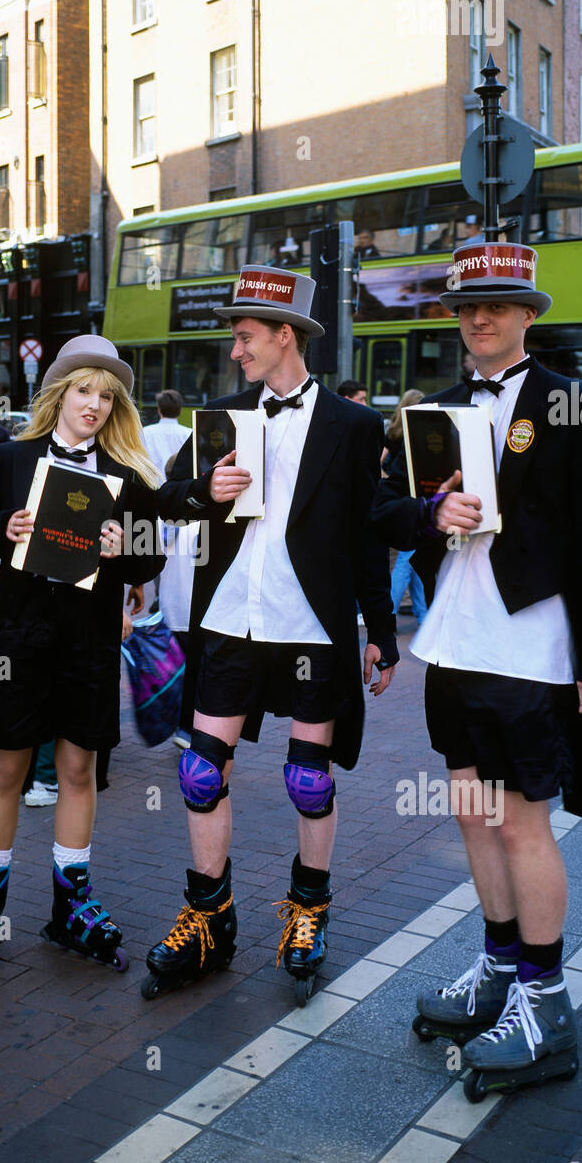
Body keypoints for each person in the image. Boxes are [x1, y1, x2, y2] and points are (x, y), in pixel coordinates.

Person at [373, 239, 582, 1099]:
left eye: (496, 304)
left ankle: (546, 1003)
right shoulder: (433, 413)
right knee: (472, 812)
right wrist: (425, 509)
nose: (478, 317)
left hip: (533, 645)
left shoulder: (577, 406)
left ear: (527, 315)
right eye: (465, 306)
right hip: (453, 639)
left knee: (523, 822)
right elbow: (383, 515)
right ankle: (498, 968)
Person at [145, 266, 399, 1005]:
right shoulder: (222, 417)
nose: (235, 352)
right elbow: (168, 499)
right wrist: (204, 491)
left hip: (310, 624)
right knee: (200, 771)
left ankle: (308, 913)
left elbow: (367, 536)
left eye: (246, 337)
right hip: (230, 617)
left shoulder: (354, 427)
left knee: (307, 777)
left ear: (285, 335)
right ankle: (209, 919)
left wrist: (379, 628)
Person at [0, 334, 164, 983]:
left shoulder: (128, 475)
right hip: (18, 641)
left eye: (106, 395)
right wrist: (7, 528)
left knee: (77, 771)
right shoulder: (11, 459)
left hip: (90, 642)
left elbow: (149, 560)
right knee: (8, 770)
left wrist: (119, 543)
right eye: (83, 391)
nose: (94, 405)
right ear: (58, 394)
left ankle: (71, 902)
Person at [381, 390, 427, 623]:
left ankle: (422, 615)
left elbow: (379, 461)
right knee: (406, 560)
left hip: (403, 499)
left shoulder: (395, 432)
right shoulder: (413, 433)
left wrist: (388, 480)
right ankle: (391, 611)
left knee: (411, 559)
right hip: (412, 499)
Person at [142, 388, 191, 474]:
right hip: (177, 485)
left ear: (159, 410)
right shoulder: (189, 433)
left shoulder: (145, 433)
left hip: (152, 484)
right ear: (180, 411)